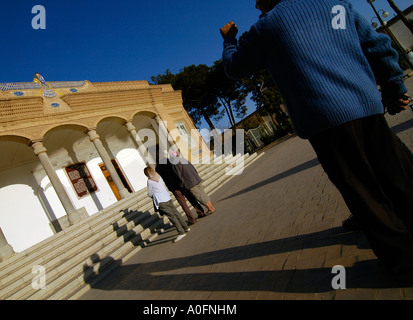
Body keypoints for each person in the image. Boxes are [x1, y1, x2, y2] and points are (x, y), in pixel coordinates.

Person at [220, 0, 413, 282]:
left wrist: (229, 41)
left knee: (364, 193)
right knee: (399, 176)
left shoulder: (267, 27)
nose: (255, 3)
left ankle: (404, 263)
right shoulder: (335, 5)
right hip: (367, 107)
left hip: (325, 122)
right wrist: (395, 87)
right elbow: (378, 45)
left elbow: (235, 67)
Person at [155, 150, 206, 225]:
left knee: (183, 203)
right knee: (191, 198)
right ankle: (200, 212)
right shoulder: (170, 161)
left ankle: (191, 219)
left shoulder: (157, 168)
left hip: (173, 187)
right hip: (181, 183)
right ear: (162, 154)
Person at [144, 166, 189, 242]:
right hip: (167, 197)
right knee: (176, 213)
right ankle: (185, 227)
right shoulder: (158, 176)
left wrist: (152, 195)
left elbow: (150, 193)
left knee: (171, 216)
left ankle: (181, 232)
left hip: (161, 200)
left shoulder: (150, 181)